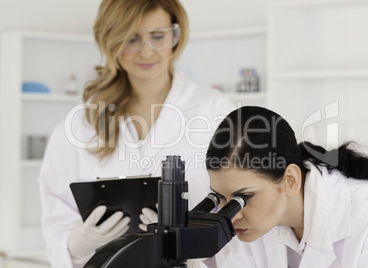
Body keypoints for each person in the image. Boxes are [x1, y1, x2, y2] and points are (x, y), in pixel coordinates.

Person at [38, 0, 235, 267]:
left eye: (157, 36)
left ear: (176, 36)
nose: (146, 51)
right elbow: (56, 218)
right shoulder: (81, 123)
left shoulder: (215, 110)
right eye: (131, 38)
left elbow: (240, 212)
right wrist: (75, 245)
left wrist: (191, 242)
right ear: (110, 41)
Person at [205, 106, 368, 268]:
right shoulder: (258, 226)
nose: (231, 215)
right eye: (220, 197)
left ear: (290, 180)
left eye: (243, 198)